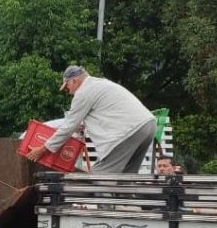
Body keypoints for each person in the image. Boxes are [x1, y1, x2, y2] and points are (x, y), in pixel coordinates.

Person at [26, 66, 156, 173]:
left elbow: (69, 126)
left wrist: (44, 149)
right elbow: (80, 123)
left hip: (128, 132)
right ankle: (128, 204)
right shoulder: (100, 84)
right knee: (126, 177)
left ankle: (105, 205)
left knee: (99, 177)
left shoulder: (83, 92)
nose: (69, 92)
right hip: (147, 125)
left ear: (74, 81)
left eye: (67, 87)